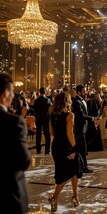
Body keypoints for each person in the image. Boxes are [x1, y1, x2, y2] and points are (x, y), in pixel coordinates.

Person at [0, 74, 31, 213]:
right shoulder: (14, 122)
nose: (13, 96)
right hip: (9, 195)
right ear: (5, 93)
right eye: (12, 92)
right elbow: (24, 161)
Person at [49, 92, 80, 212]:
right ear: (68, 101)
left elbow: (52, 133)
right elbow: (69, 133)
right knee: (67, 173)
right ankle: (54, 197)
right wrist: (75, 148)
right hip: (67, 146)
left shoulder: (52, 115)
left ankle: (75, 195)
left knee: (72, 170)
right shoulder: (70, 115)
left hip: (56, 146)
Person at [72, 85, 96, 173]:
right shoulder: (76, 101)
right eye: (83, 91)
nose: (85, 92)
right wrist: (91, 118)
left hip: (84, 127)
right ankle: (83, 167)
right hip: (79, 127)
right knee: (81, 147)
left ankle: (80, 166)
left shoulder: (82, 101)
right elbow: (80, 115)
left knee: (82, 147)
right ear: (78, 92)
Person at [34, 87, 52, 154]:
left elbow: (35, 110)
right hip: (46, 118)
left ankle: (38, 150)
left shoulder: (36, 100)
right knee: (47, 134)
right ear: (45, 92)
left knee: (38, 134)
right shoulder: (48, 100)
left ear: (39, 92)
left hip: (38, 118)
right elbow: (50, 109)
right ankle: (47, 150)